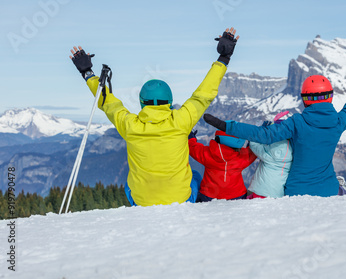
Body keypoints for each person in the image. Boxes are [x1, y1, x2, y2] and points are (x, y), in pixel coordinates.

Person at [69, 28, 240, 206]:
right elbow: (203, 94)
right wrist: (223, 59)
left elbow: (108, 103)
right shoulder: (182, 120)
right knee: (195, 176)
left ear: (142, 102)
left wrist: (87, 72)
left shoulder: (130, 125)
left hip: (142, 201)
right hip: (180, 199)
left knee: (130, 184)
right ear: (169, 101)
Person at [203, 53, 346, 197]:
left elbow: (262, 135)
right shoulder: (338, 121)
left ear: (305, 100)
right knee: (341, 189)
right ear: (330, 97)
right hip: (328, 190)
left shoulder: (297, 122)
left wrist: (226, 125)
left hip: (296, 191)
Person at [188, 129, 256, 202]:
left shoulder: (207, 153)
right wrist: (252, 143)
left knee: (195, 175)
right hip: (237, 196)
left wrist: (191, 138)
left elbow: (193, 148)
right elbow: (254, 152)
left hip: (208, 196)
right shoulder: (242, 156)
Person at [247, 111, 292, 199]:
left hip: (262, 190)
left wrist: (260, 132)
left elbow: (256, 147)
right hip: (278, 192)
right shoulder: (291, 147)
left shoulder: (273, 149)